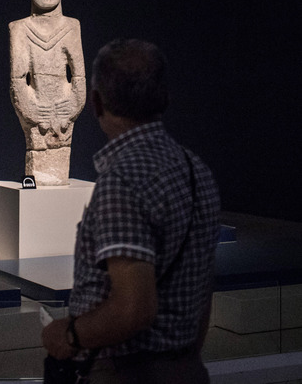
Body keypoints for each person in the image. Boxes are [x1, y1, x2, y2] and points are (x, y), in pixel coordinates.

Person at [41, 39, 220, 383]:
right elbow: (202, 290)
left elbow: (133, 309)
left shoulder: (123, 182)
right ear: (164, 97)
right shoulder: (197, 170)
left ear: (95, 102)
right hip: (185, 366)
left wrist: (69, 334)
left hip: (129, 372)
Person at [9, 0, 86, 185]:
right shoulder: (20, 29)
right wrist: (31, 110)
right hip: (36, 113)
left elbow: (78, 78)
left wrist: (71, 107)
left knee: (60, 148)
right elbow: (18, 81)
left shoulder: (71, 27)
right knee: (38, 147)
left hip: (63, 113)